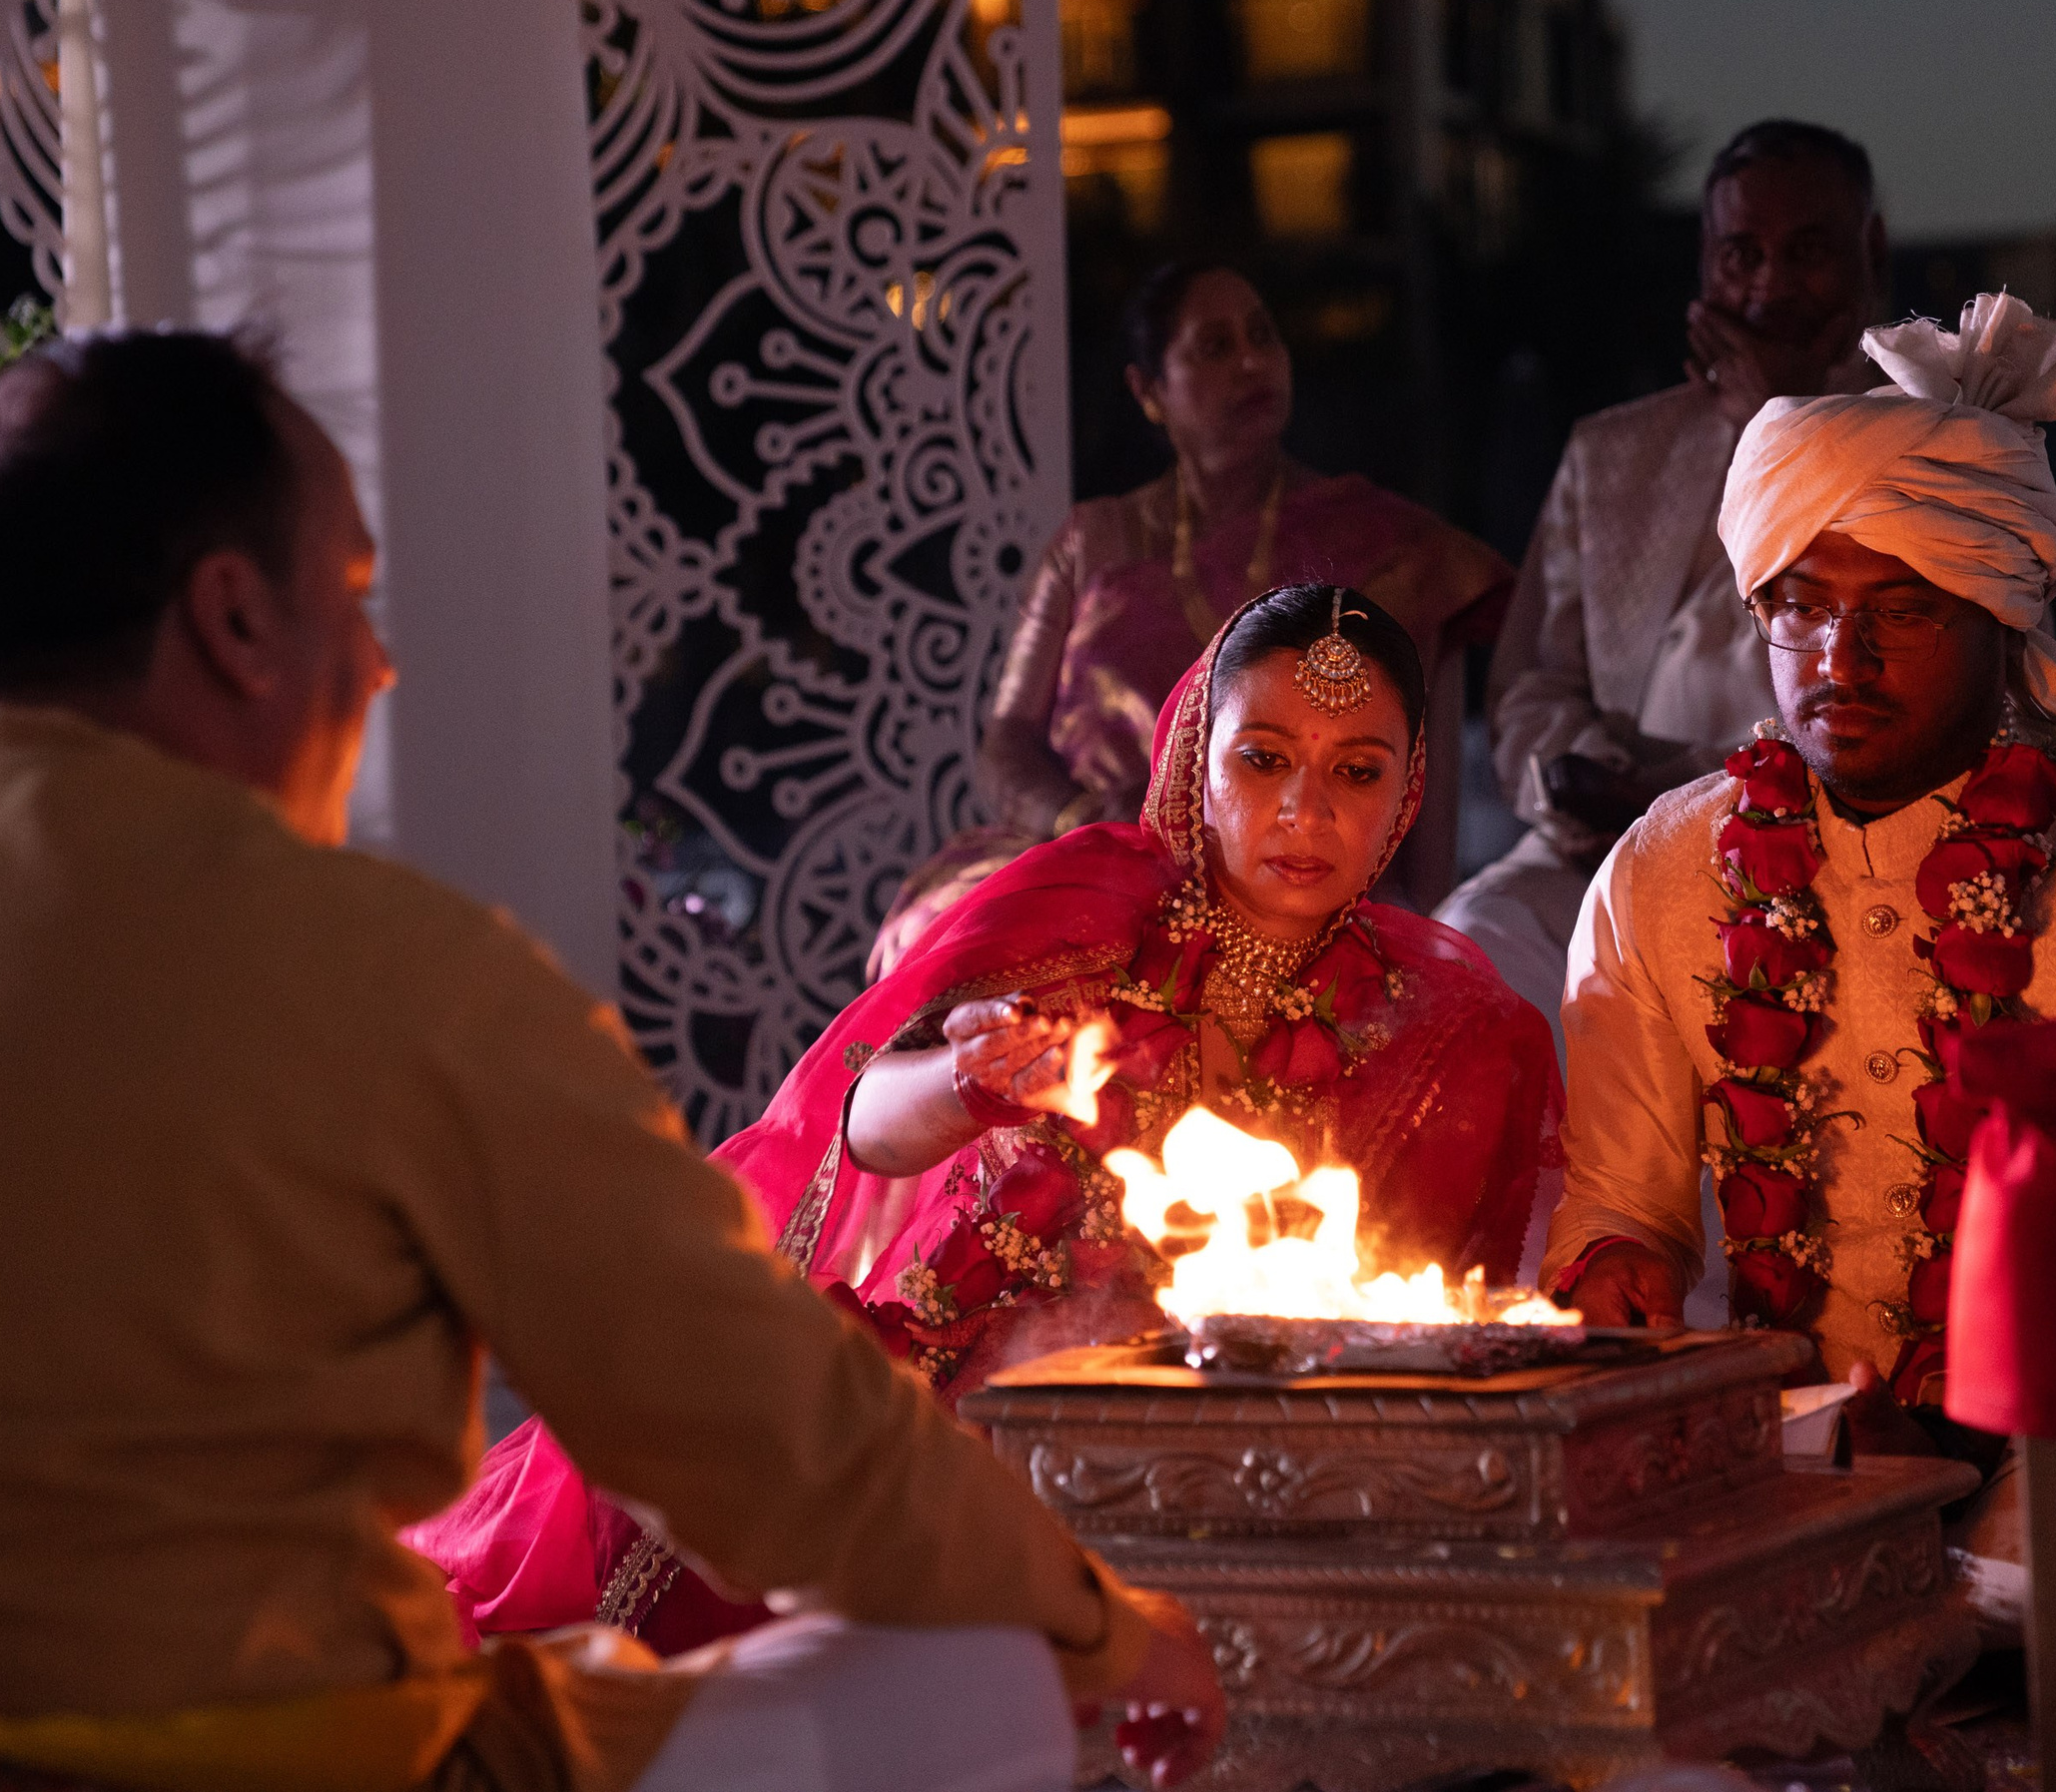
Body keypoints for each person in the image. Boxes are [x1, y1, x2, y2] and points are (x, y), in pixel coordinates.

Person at [0, 329, 1224, 1792]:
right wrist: (1109, 1631)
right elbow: (769, 1451)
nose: (376, 667)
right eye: (357, 600)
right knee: (982, 1680)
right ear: (236, 620)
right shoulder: (398, 976)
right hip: (301, 1756)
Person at [414, 582, 1561, 1657]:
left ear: (1409, 790)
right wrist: (969, 1084)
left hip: (1217, 1460)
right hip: (939, 1394)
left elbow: (1402, 1326)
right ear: (1192, 760)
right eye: (1261, 760)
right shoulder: (1086, 905)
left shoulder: (1448, 1028)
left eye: (1356, 772)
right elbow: (852, 1125)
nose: (1305, 809)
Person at [1546, 293, 2056, 1636]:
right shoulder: (1663, 872)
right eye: (1804, 607)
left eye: (1905, 607)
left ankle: (1943, 1622)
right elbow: (1622, 1204)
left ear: (2000, 620)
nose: (1843, 656)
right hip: (1784, 1448)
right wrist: (1615, 1270)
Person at [868, 264, 1513, 976]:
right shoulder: (1094, 542)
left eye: (1263, 337)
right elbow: (1007, 739)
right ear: (1148, 392)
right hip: (1099, 852)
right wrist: (1080, 822)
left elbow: (1417, 788)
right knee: (958, 939)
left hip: (1288, 865)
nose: (1251, 362)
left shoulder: (1385, 545)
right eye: (1214, 346)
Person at [1441, 121, 1890, 1053]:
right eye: (1742, 255)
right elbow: (1533, 685)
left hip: (1840, 856)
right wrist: (1582, 778)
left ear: (1870, 252)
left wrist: (1783, 420)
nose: (1768, 286)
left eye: (1806, 253)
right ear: (1705, 265)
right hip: (1606, 851)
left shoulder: (1935, 447)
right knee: (1471, 950)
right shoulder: (1616, 452)